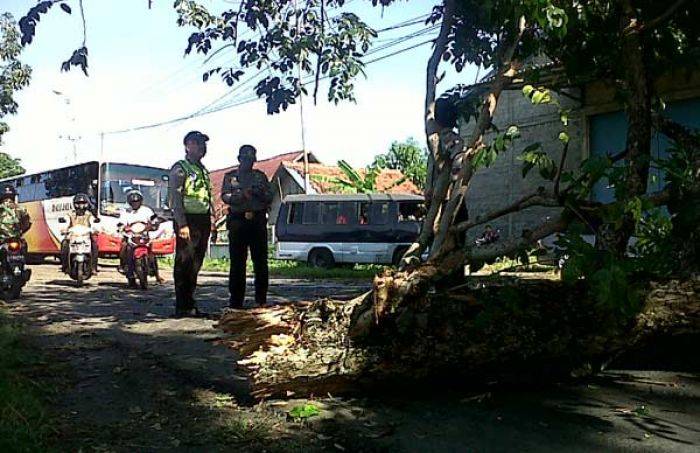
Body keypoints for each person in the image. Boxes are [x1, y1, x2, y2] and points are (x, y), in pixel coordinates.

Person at [221, 145, 273, 308]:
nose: (248, 162)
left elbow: (270, 196)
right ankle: (236, 301)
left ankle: (261, 299)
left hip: (257, 220)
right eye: (245, 159)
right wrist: (240, 196)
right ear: (239, 159)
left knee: (260, 262)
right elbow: (225, 196)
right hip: (238, 220)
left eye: (251, 160)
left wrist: (258, 193)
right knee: (237, 263)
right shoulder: (231, 177)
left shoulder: (260, 177)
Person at [169, 131, 212, 317]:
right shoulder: (180, 168)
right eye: (198, 143)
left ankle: (190, 301)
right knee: (184, 263)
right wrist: (182, 224)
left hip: (203, 220)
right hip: (187, 219)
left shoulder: (203, 170)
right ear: (187, 146)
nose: (202, 147)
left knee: (196, 263)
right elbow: (175, 198)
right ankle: (182, 305)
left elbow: (207, 197)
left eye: (203, 144)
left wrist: (213, 221)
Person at [119, 189, 159, 288]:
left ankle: (156, 273)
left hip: (144, 235)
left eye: (137, 201)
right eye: (133, 202)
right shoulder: (126, 212)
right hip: (131, 236)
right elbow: (121, 222)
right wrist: (122, 227)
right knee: (125, 247)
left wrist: (155, 224)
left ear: (141, 201)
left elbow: (154, 219)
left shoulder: (147, 210)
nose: (135, 204)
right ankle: (127, 269)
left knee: (152, 252)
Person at [61, 193, 99, 274]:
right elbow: (66, 222)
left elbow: (93, 222)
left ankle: (93, 267)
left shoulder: (89, 215)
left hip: (86, 236)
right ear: (74, 204)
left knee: (95, 245)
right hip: (73, 236)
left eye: (83, 203)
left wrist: (95, 228)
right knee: (64, 244)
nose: (81, 206)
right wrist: (64, 229)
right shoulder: (70, 214)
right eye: (78, 203)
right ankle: (65, 266)